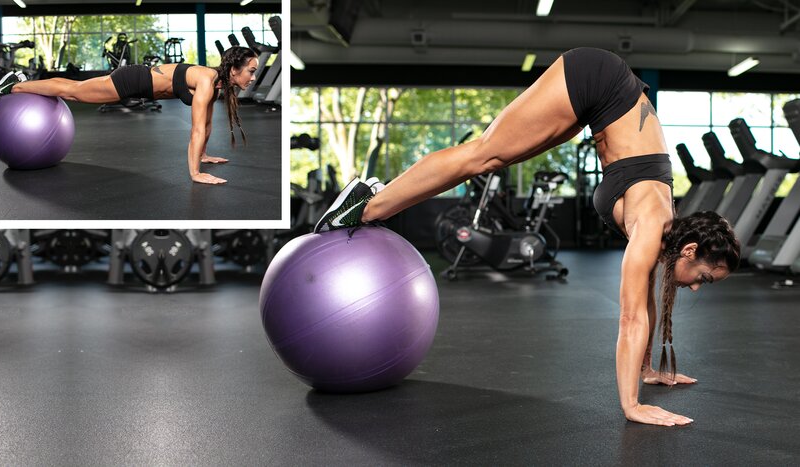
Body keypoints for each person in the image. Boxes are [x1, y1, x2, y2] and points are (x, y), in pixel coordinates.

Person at [314, 47, 741, 427]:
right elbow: (631, 318)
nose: (698, 287)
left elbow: (644, 298)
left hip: (602, 99)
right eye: (704, 276)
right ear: (689, 249)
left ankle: (371, 200)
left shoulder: (663, 234)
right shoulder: (650, 221)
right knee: (485, 155)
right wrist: (631, 405)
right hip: (597, 78)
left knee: (491, 159)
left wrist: (648, 368)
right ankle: (363, 205)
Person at [0, 46, 258, 185]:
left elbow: (208, 123)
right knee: (74, 91)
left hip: (139, 83)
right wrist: (195, 173)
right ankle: (13, 85)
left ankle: (17, 83)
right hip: (133, 81)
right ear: (234, 69)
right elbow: (196, 129)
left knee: (75, 90)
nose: (253, 76)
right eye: (251, 70)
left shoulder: (217, 85)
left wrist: (203, 155)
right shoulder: (207, 80)